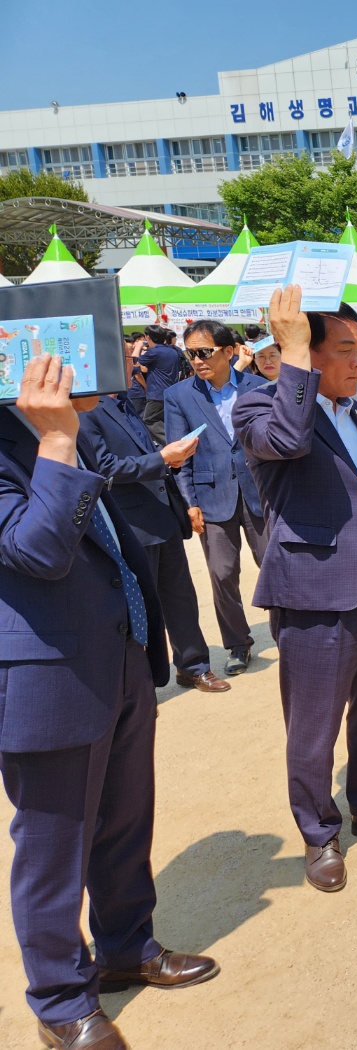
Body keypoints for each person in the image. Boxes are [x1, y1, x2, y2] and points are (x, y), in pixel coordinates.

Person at [0, 357, 218, 1048]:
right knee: (53, 848)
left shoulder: (71, 419)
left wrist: (71, 430)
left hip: (117, 649)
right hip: (48, 674)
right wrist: (58, 442)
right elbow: (38, 552)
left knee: (125, 821)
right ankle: (62, 1001)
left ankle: (127, 948)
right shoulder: (44, 431)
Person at [235, 291, 357, 892]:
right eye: (345, 349)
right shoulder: (259, 407)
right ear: (308, 354)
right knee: (314, 724)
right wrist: (291, 352)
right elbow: (289, 442)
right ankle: (319, 833)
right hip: (315, 590)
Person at [80, 361, 230, 694]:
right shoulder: (86, 409)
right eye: (124, 360)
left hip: (162, 516)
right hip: (132, 525)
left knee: (181, 598)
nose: (134, 367)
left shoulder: (124, 402)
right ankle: (141, 682)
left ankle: (194, 666)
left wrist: (168, 460)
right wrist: (163, 458)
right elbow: (105, 469)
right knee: (141, 606)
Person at [164, 320, 269, 677]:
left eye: (203, 352)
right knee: (222, 573)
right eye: (190, 353)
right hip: (211, 497)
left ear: (229, 351)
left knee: (276, 564)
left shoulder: (260, 387)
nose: (196, 360)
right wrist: (190, 502)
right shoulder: (178, 396)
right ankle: (238, 643)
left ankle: (292, 631)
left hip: (260, 494)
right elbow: (180, 459)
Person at [135, 325, 183, 443]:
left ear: (148, 337)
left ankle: (171, 443)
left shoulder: (154, 352)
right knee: (165, 420)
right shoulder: (172, 351)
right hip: (170, 391)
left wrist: (139, 346)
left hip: (156, 393)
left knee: (149, 420)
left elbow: (134, 362)